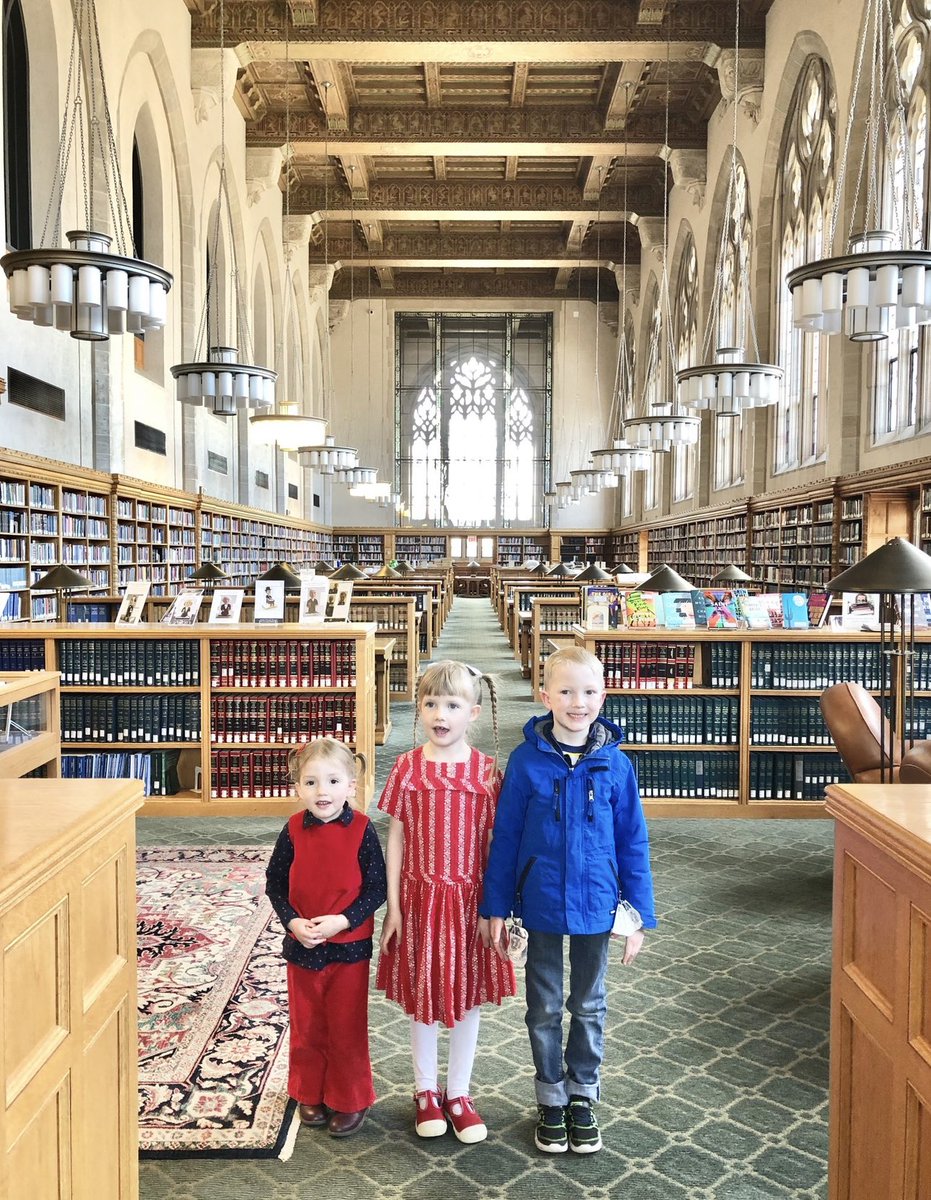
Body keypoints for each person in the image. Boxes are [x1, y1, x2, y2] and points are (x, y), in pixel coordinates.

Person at [480, 646, 656, 1155]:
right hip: (539, 902)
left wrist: (638, 915)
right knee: (545, 1005)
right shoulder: (525, 761)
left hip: (598, 905)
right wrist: (496, 906)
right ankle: (550, 1097)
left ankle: (582, 1094)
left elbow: (633, 842)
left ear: (603, 695)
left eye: (588, 692)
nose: (578, 703)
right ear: (545, 695)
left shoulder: (617, 766)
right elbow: (506, 836)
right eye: (566, 691)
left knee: (589, 1004)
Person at [376, 660, 516, 1145]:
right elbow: (394, 839)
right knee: (423, 996)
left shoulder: (484, 772)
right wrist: (392, 906)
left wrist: (497, 907)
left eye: (452, 705)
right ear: (419, 707)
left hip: (469, 904)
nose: (440, 713)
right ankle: (424, 1091)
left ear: (472, 712)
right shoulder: (407, 767)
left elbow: (498, 843)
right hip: (418, 901)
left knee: (466, 994)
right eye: (430, 703)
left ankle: (458, 1093)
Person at [265, 738, 387, 1138]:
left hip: (348, 946)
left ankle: (350, 1098)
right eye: (311, 782)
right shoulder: (293, 830)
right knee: (307, 1023)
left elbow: (376, 889)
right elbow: (275, 884)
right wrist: (291, 922)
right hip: (302, 944)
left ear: (351, 785)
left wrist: (343, 920)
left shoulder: (364, 831)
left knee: (345, 1025)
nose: (322, 792)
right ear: (297, 787)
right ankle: (309, 1092)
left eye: (333, 781)